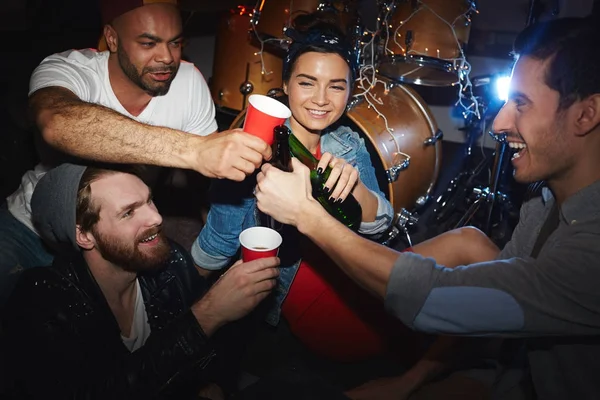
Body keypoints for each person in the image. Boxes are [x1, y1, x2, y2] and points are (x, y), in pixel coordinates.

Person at [255, 16, 600, 399]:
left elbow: (439, 297)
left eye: (520, 104)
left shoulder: (592, 250)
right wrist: (408, 383)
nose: (499, 124)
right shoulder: (541, 203)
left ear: (586, 115)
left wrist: (307, 214)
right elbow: (490, 319)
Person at [192, 11, 499, 371]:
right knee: (451, 307)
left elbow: (381, 223)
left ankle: (451, 365)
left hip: (361, 272)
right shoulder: (254, 148)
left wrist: (357, 190)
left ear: (350, 91)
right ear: (286, 84)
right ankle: (425, 374)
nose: (321, 99)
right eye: (307, 83)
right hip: (322, 307)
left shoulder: (348, 143)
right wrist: (180, 321)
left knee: (472, 243)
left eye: (336, 86)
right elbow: (213, 250)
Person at [0, 0, 272, 305]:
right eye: (148, 43)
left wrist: (219, 247)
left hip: (117, 244)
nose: (167, 57)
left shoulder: (189, 81)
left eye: (176, 42)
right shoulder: (68, 69)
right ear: (112, 38)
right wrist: (194, 150)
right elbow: (56, 122)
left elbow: (205, 182)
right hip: (30, 230)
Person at [1, 163, 280, 399]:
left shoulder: (172, 265)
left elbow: (209, 356)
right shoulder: (43, 298)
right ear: (84, 235)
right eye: (129, 212)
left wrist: (214, 382)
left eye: (149, 200)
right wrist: (207, 314)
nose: (156, 217)